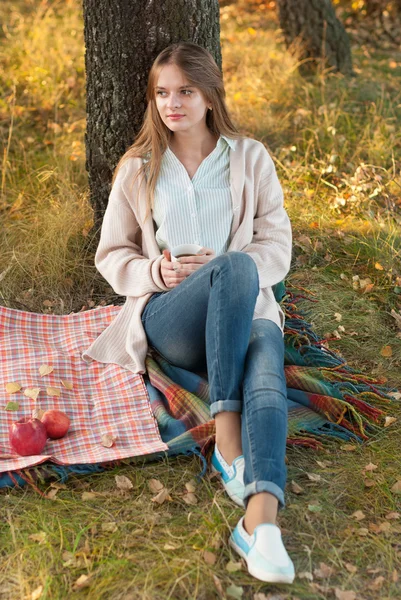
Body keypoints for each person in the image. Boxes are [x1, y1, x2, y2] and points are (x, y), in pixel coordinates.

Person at [82, 41, 294, 584]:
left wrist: (226, 270)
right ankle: (228, 438)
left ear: (208, 94)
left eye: (184, 91)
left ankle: (261, 524)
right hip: (173, 319)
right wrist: (160, 274)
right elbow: (113, 254)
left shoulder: (250, 158)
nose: (171, 104)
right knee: (234, 274)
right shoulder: (138, 168)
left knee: (265, 367)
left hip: (244, 305)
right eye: (161, 93)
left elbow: (275, 245)